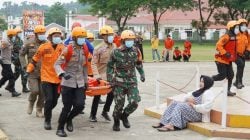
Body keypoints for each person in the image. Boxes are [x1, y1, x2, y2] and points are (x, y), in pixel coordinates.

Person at [26, 27, 64, 130]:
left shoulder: (63, 48)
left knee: (55, 101)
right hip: (46, 77)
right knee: (49, 99)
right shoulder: (43, 47)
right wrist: (28, 70)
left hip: (58, 79)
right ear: (50, 37)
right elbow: (34, 60)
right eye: (55, 36)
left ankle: (46, 111)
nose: (57, 37)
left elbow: (67, 62)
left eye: (58, 36)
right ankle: (47, 120)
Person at [107, 30, 145, 131]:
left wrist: (142, 74)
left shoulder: (136, 51)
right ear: (123, 40)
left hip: (132, 81)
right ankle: (116, 121)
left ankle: (124, 116)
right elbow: (110, 66)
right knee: (119, 104)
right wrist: (110, 79)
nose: (131, 41)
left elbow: (138, 64)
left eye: (132, 40)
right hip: (119, 82)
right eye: (128, 40)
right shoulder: (116, 52)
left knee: (135, 102)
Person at [54, 27, 88, 137]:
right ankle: (60, 128)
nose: (82, 39)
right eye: (80, 37)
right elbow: (57, 64)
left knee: (80, 105)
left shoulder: (85, 49)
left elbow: (85, 66)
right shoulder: (68, 49)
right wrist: (62, 73)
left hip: (80, 82)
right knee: (67, 107)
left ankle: (69, 119)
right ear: (74, 38)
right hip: (68, 82)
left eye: (84, 37)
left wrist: (86, 81)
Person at [89, 25, 115, 122]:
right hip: (100, 76)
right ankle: (92, 115)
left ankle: (105, 111)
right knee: (97, 96)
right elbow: (93, 63)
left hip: (111, 75)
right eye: (108, 35)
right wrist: (96, 75)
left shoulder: (114, 46)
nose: (111, 36)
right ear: (103, 36)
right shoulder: (98, 48)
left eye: (112, 34)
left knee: (112, 94)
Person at [19, 25, 47, 117]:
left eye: (43, 33)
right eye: (40, 33)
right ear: (36, 34)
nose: (42, 35)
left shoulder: (47, 44)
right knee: (35, 91)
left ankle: (39, 109)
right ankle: (31, 103)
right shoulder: (28, 43)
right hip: (32, 71)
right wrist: (24, 66)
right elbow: (21, 55)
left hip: (44, 72)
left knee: (42, 92)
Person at [212, 20, 239, 96]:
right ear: (231, 28)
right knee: (222, 76)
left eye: (238, 27)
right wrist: (225, 53)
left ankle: (227, 91)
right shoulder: (226, 36)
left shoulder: (234, 36)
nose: (238, 29)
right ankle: (208, 80)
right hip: (221, 60)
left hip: (228, 60)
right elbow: (218, 45)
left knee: (230, 75)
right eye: (236, 27)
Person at [6, 27, 30, 93]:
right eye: (19, 32)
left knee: (20, 73)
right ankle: (11, 86)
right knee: (20, 73)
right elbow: (12, 49)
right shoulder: (12, 40)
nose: (20, 33)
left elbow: (22, 48)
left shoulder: (20, 40)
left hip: (20, 58)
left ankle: (12, 86)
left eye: (20, 32)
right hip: (16, 59)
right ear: (16, 33)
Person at [0, 29, 21, 97]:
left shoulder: (10, 41)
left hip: (8, 61)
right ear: (10, 35)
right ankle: (12, 90)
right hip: (5, 61)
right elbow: (1, 48)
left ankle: (10, 88)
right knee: (11, 76)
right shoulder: (5, 41)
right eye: (14, 35)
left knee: (6, 77)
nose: (15, 36)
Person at [233, 19, 250, 89]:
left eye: (245, 25)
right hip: (235, 54)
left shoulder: (246, 34)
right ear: (239, 26)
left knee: (242, 67)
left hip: (243, 54)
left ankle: (239, 81)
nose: (244, 27)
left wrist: (248, 50)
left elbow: (249, 43)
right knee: (241, 65)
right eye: (242, 25)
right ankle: (238, 82)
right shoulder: (235, 33)